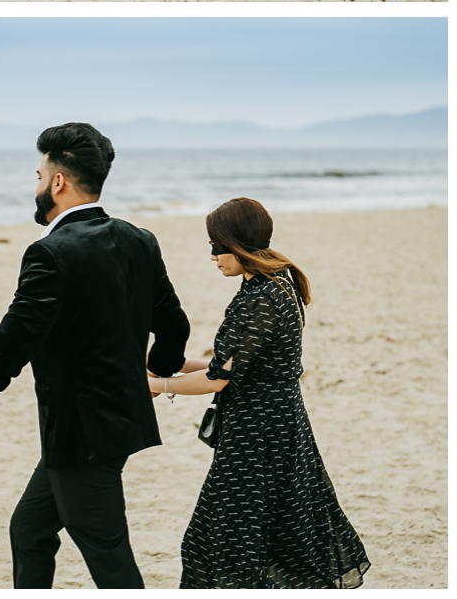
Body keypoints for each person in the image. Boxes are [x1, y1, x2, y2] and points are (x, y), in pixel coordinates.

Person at [0, 122, 190, 590]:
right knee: (30, 530)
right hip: (105, 427)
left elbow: (11, 344)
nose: (36, 187)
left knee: (109, 558)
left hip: (82, 435)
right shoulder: (139, 239)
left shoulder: (50, 254)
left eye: (38, 176)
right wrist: (152, 374)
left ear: (58, 182)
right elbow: (174, 326)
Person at [148, 197, 371, 589]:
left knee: (222, 544)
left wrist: (158, 386)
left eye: (217, 246)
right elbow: (236, 368)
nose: (213, 256)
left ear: (238, 243)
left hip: (258, 434)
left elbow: (219, 380)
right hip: (276, 425)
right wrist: (179, 365)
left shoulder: (262, 297)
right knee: (273, 539)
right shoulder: (274, 283)